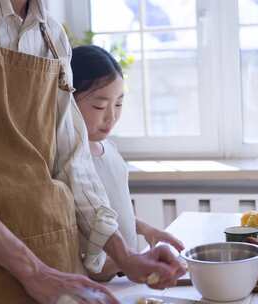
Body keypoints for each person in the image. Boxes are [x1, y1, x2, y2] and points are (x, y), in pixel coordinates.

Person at [0, 0, 185, 303]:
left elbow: (73, 162)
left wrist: (126, 255)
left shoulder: (52, 36)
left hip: (58, 261)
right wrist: (34, 272)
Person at [71, 45, 185, 281]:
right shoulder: (70, 161)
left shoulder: (110, 150)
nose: (111, 116)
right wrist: (129, 259)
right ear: (67, 102)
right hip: (96, 281)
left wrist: (146, 230)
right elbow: (85, 225)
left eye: (119, 104)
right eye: (99, 106)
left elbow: (112, 211)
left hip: (124, 276)